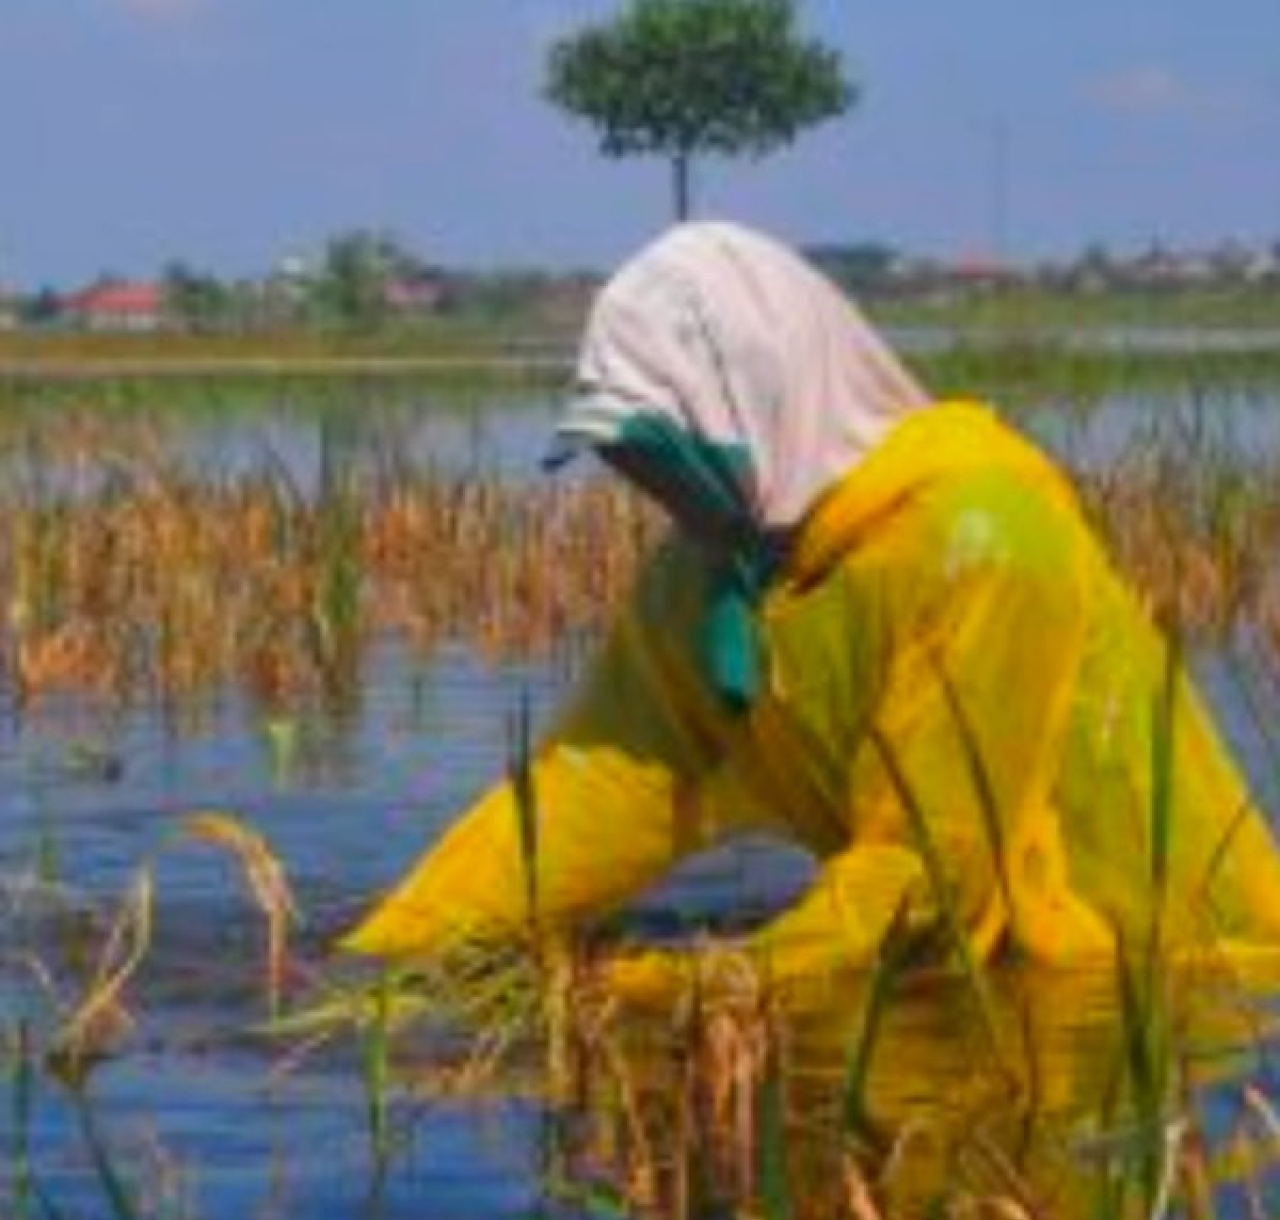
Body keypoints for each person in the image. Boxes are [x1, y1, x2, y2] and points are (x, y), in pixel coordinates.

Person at [340, 220, 1280, 992]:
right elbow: (592, 783)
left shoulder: (986, 544)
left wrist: (684, 983)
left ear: (762, 402)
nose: (646, 482)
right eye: (628, 456)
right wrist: (392, 959)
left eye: (667, 449)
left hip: (1162, 983)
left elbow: (933, 876)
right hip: (952, 975)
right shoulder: (713, 578)